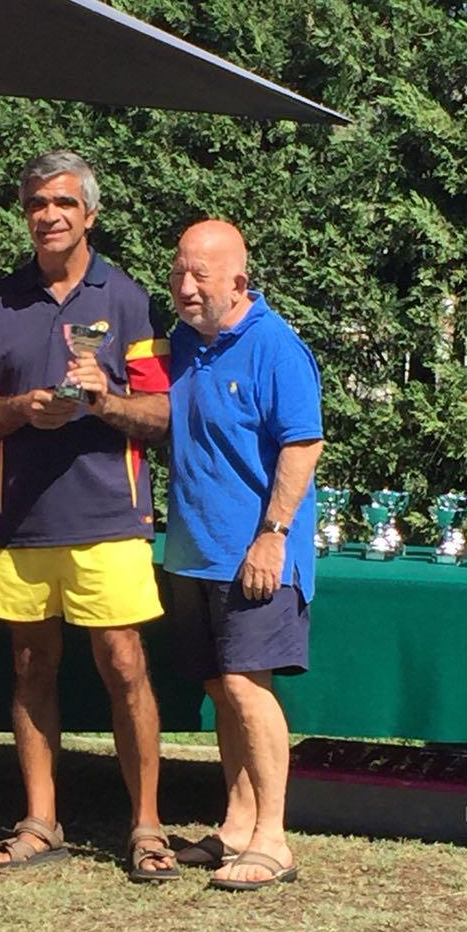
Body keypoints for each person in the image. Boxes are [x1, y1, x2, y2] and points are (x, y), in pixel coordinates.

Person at [0, 151, 177, 883]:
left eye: (62, 203)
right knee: (29, 668)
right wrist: (23, 410)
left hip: (108, 515)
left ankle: (146, 826)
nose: (48, 215)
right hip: (18, 519)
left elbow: (161, 412)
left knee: (123, 665)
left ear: (89, 213)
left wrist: (101, 399)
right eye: (34, 205)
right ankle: (40, 820)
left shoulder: (130, 298)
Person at [165, 219, 324, 890]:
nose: (185, 285)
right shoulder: (179, 342)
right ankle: (236, 825)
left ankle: (274, 839)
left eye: (201, 274)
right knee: (218, 689)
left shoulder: (275, 346)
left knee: (245, 687)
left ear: (239, 280)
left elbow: (303, 443)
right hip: (192, 553)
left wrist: (274, 534)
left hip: (255, 554)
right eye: (178, 271)